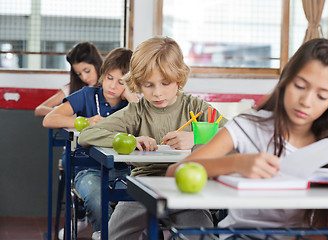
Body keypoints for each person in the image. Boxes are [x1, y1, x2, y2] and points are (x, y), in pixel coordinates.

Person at [166, 38, 328, 239]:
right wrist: (237, 163)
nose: (306, 102)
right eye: (300, 86)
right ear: (286, 80)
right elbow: (175, 172)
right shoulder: (248, 126)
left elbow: (320, 226)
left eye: (322, 96)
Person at [77, 36, 227, 240]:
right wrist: (129, 139)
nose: (158, 93)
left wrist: (195, 138)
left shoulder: (196, 107)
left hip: (186, 187)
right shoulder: (136, 111)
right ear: (138, 83)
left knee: (202, 237)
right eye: (148, 85)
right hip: (142, 187)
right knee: (112, 237)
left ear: (179, 77)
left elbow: (237, 134)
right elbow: (87, 135)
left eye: (165, 83)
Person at [43, 47, 138, 240]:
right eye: (109, 78)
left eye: (121, 82)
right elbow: (49, 119)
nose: (112, 86)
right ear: (103, 74)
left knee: (142, 198)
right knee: (96, 195)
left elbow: (148, 124)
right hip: (89, 170)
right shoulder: (87, 94)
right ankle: (110, 235)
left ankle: (111, 235)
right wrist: (85, 122)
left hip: (125, 170)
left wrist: (131, 97)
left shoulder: (132, 105)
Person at [34, 42, 103, 117]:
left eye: (87, 71)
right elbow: (39, 110)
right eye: (78, 74)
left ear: (97, 64)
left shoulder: (109, 88)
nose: (84, 77)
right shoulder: (71, 89)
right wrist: (66, 111)